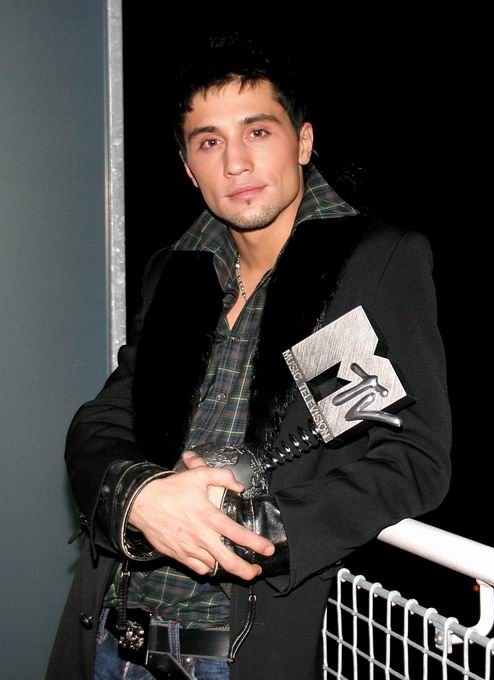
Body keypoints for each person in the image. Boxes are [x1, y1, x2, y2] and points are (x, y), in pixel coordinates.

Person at [47, 33, 452, 680]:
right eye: (209, 142)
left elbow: (413, 456)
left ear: (303, 142)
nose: (236, 162)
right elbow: (102, 421)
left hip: (237, 652)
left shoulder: (371, 264)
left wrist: (252, 528)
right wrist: (137, 496)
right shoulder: (174, 272)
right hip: (111, 639)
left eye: (257, 131)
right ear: (188, 167)